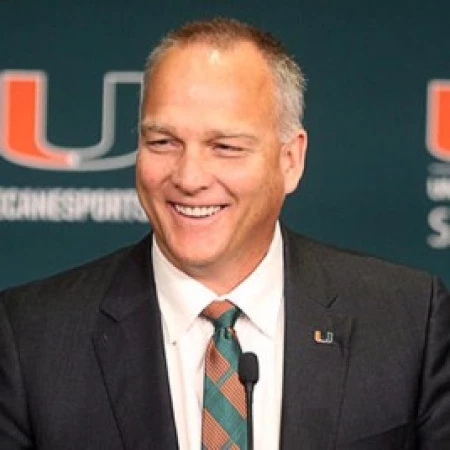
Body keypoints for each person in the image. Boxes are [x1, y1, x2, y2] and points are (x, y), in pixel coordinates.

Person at [0, 17, 449, 450]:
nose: (189, 177)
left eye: (226, 147)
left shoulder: (408, 322)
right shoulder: (31, 336)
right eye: (163, 142)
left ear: (290, 160)